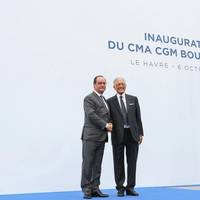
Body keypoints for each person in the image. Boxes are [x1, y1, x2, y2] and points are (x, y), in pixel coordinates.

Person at [107, 77, 144, 197]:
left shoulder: (133, 99)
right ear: (114, 87)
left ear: (125, 86)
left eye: (122, 84)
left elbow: (138, 117)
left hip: (132, 134)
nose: (120, 86)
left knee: (132, 162)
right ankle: (120, 188)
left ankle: (130, 187)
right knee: (118, 162)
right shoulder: (109, 101)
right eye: (118, 84)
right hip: (118, 135)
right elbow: (109, 118)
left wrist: (141, 133)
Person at [81, 75, 112, 199]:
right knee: (88, 163)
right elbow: (91, 115)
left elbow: (106, 116)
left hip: (101, 137)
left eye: (104, 83)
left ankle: (95, 187)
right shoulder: (89, 98)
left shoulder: (104, 99)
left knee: (97, 164)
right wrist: (105, 125)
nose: (102, 85)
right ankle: (86, 188)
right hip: (90, 136)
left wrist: (109, 125)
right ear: (94, 85)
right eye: (100, 83)